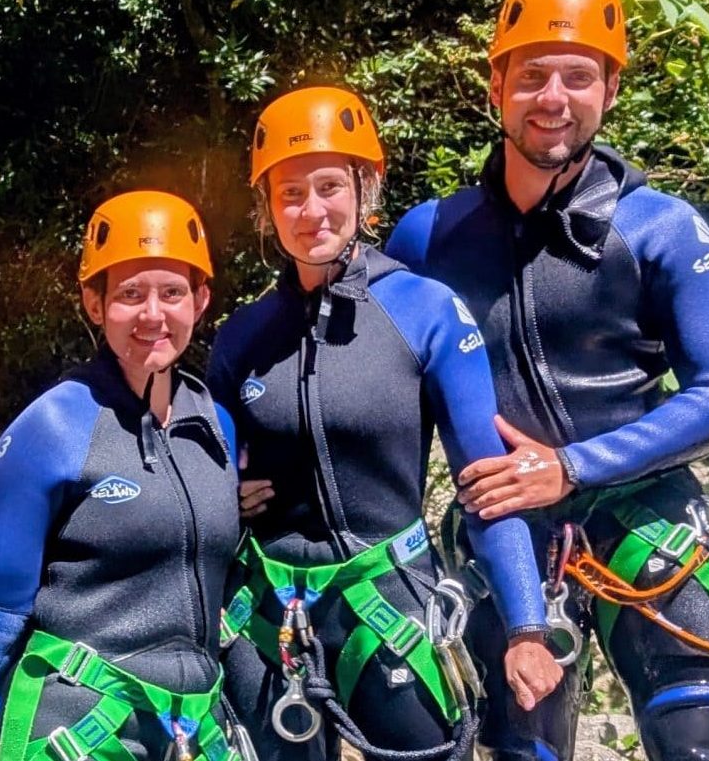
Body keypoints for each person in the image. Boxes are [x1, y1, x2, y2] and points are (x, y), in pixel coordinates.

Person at [385, 0, 709, 761]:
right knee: (523, 749)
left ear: (610, 90)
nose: (552, 98)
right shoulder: (427, 239)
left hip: (643, 509)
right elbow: (364, 377)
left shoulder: (659, 229)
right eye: (531, 75)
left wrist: (569, 466)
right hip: (503, 529)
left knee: (696, 739)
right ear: (495, 85)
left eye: (577, 76)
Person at [208, 86, 561, 761]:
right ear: (266, 209)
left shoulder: (425, 310)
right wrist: (221, 499)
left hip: (388, 602)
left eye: (329, 187)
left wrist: (526, 627)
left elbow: (485, 483)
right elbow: (203, 481)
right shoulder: (241, 337)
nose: (312, 210)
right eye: (290, 194)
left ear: (364, 189)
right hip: (268, 616)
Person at [0, 190, 248, 761]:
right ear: (94, 303)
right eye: (130, 294)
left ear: (201, 300)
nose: (153, 315)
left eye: (172, 293)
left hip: (190, 727)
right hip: (78, 732)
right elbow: (1, 615)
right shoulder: (52, 428)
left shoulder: (216, 425)